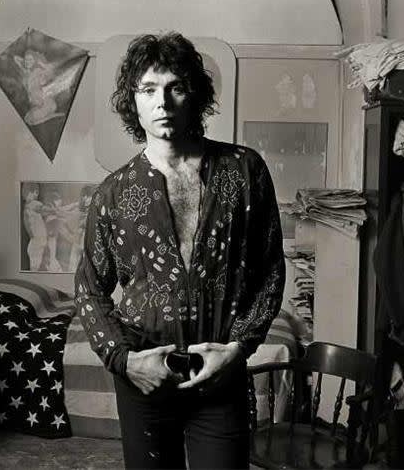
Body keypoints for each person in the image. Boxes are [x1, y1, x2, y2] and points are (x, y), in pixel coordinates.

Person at [74, 32, 285, 469]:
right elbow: (90, 288)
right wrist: (123, 359)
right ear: (133, 101)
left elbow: (269, 270)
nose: (163, 102)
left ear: (196, 94)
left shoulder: (245, 170)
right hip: (145, 379)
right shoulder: (114, 192)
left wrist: (239, 348)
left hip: (220, 374)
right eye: (148, 90)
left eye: (176, 87)